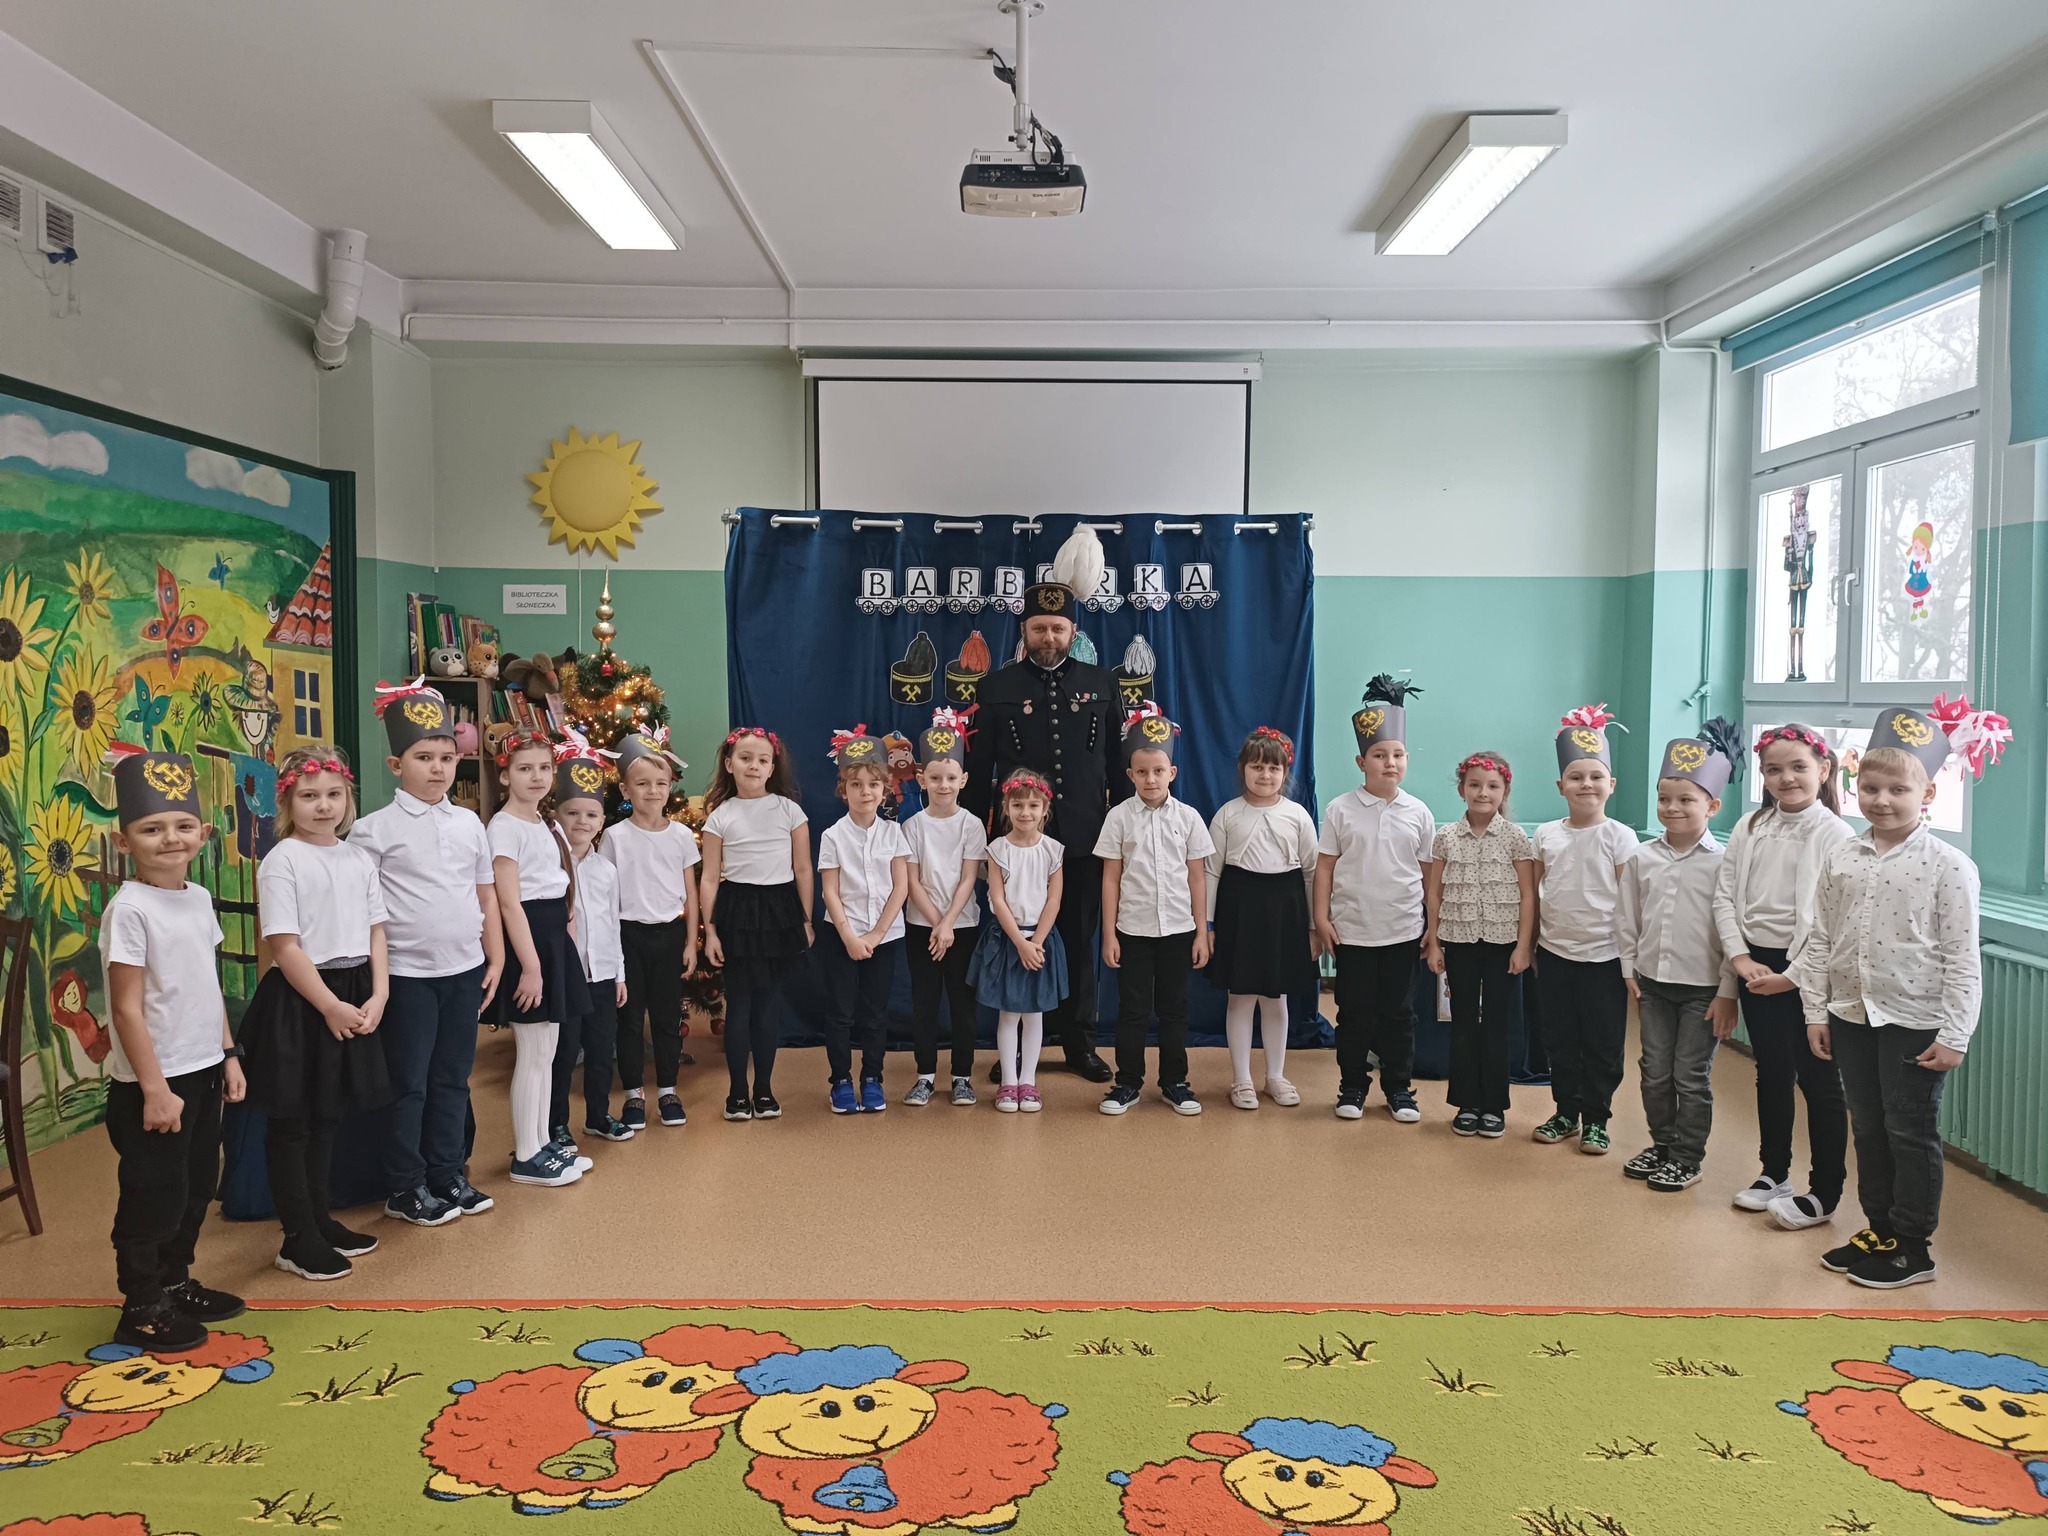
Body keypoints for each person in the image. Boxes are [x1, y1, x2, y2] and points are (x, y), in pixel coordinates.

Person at [1793, 699, 2007, 1289]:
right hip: (1851, 1015)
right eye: (1870, 788)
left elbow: (1962, 956)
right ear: (1854, 788)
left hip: (1915, 1021)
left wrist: (1956, 1034)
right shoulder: (1842, 854)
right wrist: (1816, 1010)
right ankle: (1881, 1229)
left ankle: (1914, 1247)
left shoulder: (1949, 866)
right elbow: (1821, 938)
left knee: (1909, 1131)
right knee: (1868, 1126)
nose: (1881, 800)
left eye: (1897, 790)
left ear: (1927, 794)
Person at [97, 744, 247, 1351]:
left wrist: (228, 1054)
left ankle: (174, 1281)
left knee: (195, 1184)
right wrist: (154, 1089)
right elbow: (127, 1008)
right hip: (154, 1083)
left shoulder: (198, 898)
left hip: (203, 1068)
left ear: (203, 834)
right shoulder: (130, 909)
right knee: (153, 1192)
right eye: (152, 828)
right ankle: (140, 1303)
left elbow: (207, 984)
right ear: (124, 840)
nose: (170, 838)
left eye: (183, 825)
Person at [961, 524, 1120, 1083]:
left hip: (1083, 838)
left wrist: (1125, 833)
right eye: (1038, 628)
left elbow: (1118, 766)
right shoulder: (996, 688)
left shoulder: (1102, 683)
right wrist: (975, 837)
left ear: (1072, 630)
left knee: (1077, 939)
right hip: (1015, 844)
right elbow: (980, 771)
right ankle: (1013, 1053)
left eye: (1057, 627)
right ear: (1024, 631)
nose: (1048, 636)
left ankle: (1079, 1044)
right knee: (1012, 941)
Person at [350, 679, 501, 1228]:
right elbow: (364, 915)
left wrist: (495, 958)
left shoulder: (469, 823)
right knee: (409, 1085)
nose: (437, 768)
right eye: (423, 758)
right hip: (407, 977)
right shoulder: (371, 832)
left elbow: (486, 894)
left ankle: (447, 1172)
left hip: (464, 971)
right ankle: (404, 1185)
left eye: (446, 758)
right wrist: (379, 980)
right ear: (396, 764)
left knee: (452, 1079)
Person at [243, 746, 392, 1281]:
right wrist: (328, 1005)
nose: (323, 806)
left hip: (354, 990)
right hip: (303, 998)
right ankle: (296, 1237)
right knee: (294, 1122)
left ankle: (319, 1219)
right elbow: (284, 946)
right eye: (309, 796)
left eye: (333, 795)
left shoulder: (357, 859)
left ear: (347, 798)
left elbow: (376, 931)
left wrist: (380, 993)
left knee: (327, 1116)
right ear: (288, 802)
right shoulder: (282, 860)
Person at [1712, 722, 1853, 1228]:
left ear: (1824, 770)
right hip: (1755, 966)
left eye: (1798, 767)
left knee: (1819, 1080)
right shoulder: (1751, 826)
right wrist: (1738, 958)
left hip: (1808, 973)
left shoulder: (1835, 834)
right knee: (1770, 1071)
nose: (1786, 778)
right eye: (1774, 769)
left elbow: (1830, 921)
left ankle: (1825, 1192)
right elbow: (1724, 896)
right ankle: (1774, 1174)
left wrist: (1792, 977)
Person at [1616, 724, 1743, 1194]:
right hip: (1653, 983)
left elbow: (1733, 932)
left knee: (1690, 1075)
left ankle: (1688, 1157)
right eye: (1664, 798)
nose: (1672, 808)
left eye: (1686, 800)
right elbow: (1627, 917)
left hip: (1703, 989)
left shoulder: (1725, 863)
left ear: (1712, 806)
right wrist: (1628, 969)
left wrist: (1728, 989)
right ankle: (1662, 1144)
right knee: (1654, 1070)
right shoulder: (1642, 858)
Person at [1314, 674, 1435, 1123]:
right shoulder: (1340, 809)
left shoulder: (1418, 812)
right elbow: (1325, 868)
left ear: (1407, 760)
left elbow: (1429, 876)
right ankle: (1352, 1086)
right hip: (1353, 932)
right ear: (1361, 761)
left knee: (1399, 1015)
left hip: (1403, 931)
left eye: (1397, 755)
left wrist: (1434, 927)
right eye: (1380, 755)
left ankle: (1400, 1088)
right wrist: (1321, 919)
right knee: (1354, 1014)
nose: (1390, 763)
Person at [1529, 704, 1640, 1156]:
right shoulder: (1546, 835)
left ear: (1612, 784)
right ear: (1561, 786)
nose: (1586, 784)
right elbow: (1535, 893)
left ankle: (1596, 1118)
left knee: (1602, 1043)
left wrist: (1631, 961)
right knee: (1559, 1039)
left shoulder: (1621, 836)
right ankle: (1565, 1112)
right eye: (1576, 777)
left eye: (1596, 776)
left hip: (1604, 957)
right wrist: (1530, 945)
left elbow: (1630, 904)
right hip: (1555, 953)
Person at [1097, 703, 1216, 1116]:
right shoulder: (1118, 818)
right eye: (1142, 772)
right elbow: (1110, 879)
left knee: (1174, 1010)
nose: (1151, 779)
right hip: (1132, 930)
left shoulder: (1189, 818)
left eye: (1158, 771)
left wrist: (1201, 932)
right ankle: (1127, 1082)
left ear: (1172, 773)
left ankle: (1175, 1082)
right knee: (1131, 1011)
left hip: (1179, 931)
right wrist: (1109, 934)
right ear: (1130, 775)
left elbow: (1197, 878)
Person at [487, 731, 592, 1187]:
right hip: (528, 943)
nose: (536, 777)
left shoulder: (546, 824)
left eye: (545, 768)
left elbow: (560, 885)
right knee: (532, 1053)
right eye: (525, 769)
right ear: (505, 775)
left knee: (546, 1052)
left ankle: (541, 1141)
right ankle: (526, 1155)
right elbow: (509, 902)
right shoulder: (503, 826)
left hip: (551, 937)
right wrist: (530, 966)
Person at [700, 727, 812, 1122]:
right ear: (730, 764)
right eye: (746, 758)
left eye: (762, 760)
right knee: (740, 1004)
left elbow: (802, 868)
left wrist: (805, 919)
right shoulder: (720, 816)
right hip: (737, 912)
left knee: (767, 1005)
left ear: (772, 767)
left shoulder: (789, 811)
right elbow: (709, 877)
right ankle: (737, 1093)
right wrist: (711, 930)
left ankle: (763, 1090)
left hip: (779, 911)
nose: (754, 765)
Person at [1422, 749, 1535, 1138]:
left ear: (1504, 791)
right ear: (1462, 789)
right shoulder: (1446, 837)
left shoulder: (1515, 838)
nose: (1482, 793)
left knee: (1498, 1024)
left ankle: (1494, 1106)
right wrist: (1435, 943)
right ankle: (1467, 1102)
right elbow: (1434, 894)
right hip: (1459, 941)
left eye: (1492, 786)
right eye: (1474, 785)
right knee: (1464, 1022)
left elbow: (1528, 895)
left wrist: (1523, 946)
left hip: (1504, 943)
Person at [1204, 726, 1318, 1111]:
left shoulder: (1297, 815)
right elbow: (1211, 872)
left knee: (1275, 996)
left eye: (1273, 768)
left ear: (1285, 772)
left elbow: (1311, 873)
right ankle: (1241, 1079)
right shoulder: (1227, 814)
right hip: (1240, 907)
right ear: (1243, 770)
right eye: (1257, 767)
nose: (1265, 775)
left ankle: (1275, 1076)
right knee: (1240, 996)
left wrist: (1313, 927)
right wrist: (1208, 925)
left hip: (1285, 910)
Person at [600, 728, 699, 1131]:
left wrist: (691, 942)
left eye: (660, 783)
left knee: (666, 1017)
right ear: (626, 789)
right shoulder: (614, 837)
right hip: (628, 937)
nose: (652, 791)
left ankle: (668, 1090)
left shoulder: (681, 836)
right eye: (642, 784)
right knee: (628, 1019)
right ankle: (633, 1094)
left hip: (669, 936)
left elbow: (691, 892)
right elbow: (606, 898)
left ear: (670, 786)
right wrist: (611, 952)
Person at [816, 729, 912, 1113]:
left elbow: (901, 887)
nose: (865, 792)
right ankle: (840, 1081)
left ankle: (872, 1078)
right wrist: (851, 937)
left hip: (884, 937)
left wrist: (875, 934)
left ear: (885, 789)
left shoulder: (894, 833)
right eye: (856, 784)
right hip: (841, 933)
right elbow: (830, 892)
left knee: (874, 1013)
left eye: (873, 784)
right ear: (844, 790)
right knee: (840, 1013)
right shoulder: (833, 836)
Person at [967, 770, 1069, 1111]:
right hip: (1008, 940)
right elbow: (997, 900)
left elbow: (1054, 900)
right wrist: (1021, 944)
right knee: (1009, 1014)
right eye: (1018, 805)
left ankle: (1029, 1081)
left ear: (1045, 810)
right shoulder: (998, 849)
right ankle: (1008, 1082)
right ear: (1006, 808)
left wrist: (1036, 942)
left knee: (1034, 1014)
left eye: (1033, 805)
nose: (1025, 812)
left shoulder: (1053, 850)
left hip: (1040, 939)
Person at [902, 708, 988, 1106]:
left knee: (962, 1004)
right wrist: (937, 924)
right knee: (924, 1003)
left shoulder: (971, 825)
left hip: (963, 927)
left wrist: (949, 923)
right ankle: (924, 1076)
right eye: (935, 778)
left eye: (951, 778)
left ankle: (962, 1077)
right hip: (923, 927)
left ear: (963, 780)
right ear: (922, 779)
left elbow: (969, 878)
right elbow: (912, 881)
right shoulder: (912, 826)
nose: (943, 785)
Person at [553, 735, 628, 1148]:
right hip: (566, 977)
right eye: (573, 812)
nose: (582, 821)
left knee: (601, 1051)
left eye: (591, 814)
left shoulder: (606, 871)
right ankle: (556, 1124)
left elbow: (612, 924)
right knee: (564, 1055)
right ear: (557, 814)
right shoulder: (550, 864)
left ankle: (598, 1116)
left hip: (601, 975)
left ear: (602, 821)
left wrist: (618, 975)